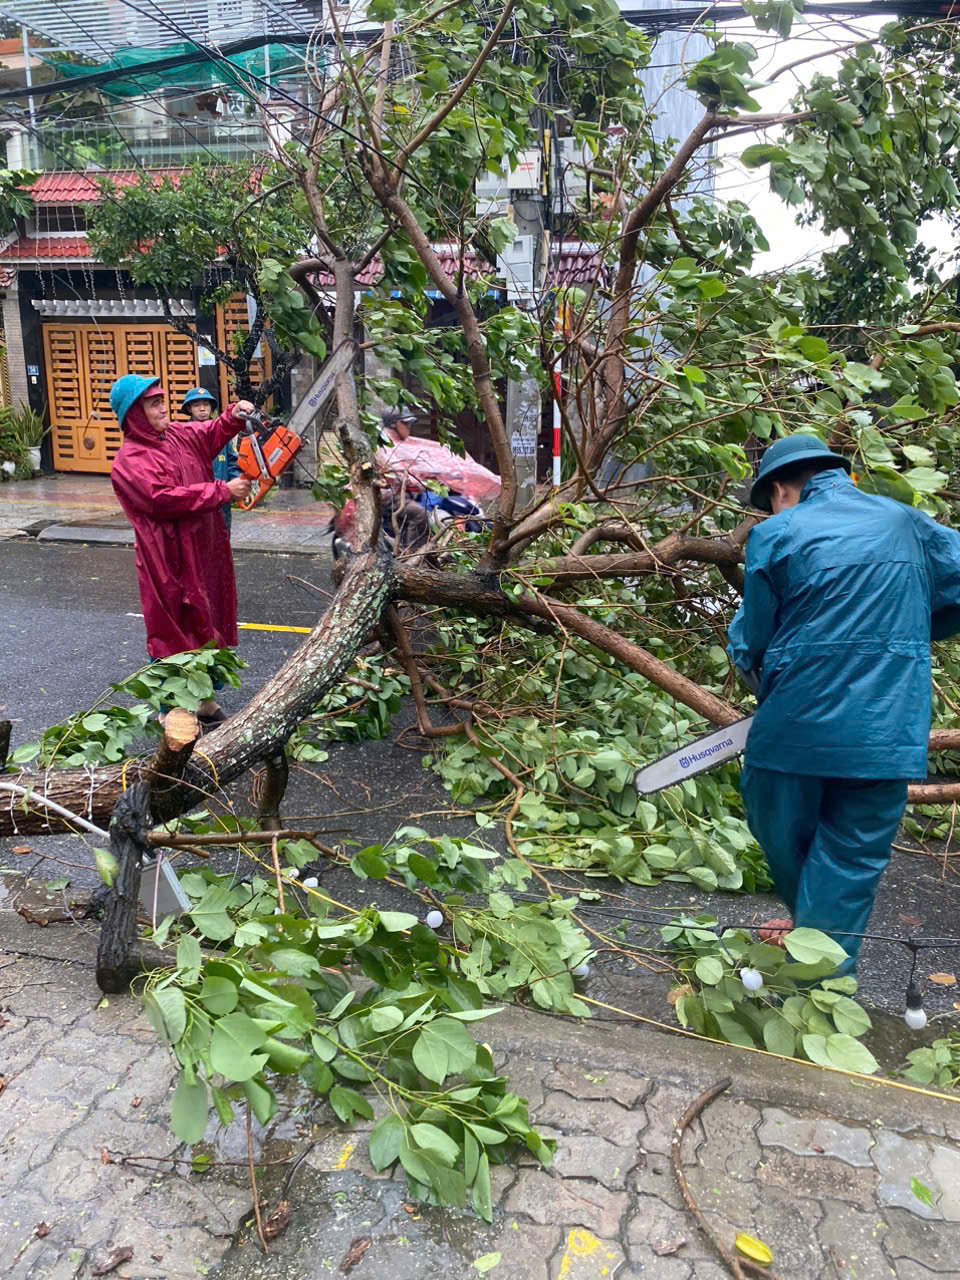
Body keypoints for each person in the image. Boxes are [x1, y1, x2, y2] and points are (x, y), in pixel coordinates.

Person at [727, 434, 960, 974]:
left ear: (782, 489)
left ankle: (813, 955)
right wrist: (909, 630)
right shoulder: (905, 521)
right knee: (852, 858)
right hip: (889, 731)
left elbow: (753, 638)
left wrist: (751, 665)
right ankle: (821, 964)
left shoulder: (776, 532)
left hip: (795, 727)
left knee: (774, 817)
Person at [109, 374, 252, 726]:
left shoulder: (176, 434)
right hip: (168, 561)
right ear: (133, 413)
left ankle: (203, 702)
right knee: (174, 632)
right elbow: (160, 499)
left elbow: (209, 433)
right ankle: (171, 713)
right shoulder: (129, 461)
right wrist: (221, 492)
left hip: (203, 548)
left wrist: (234, 415)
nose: (163, 407)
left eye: (161, 400)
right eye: (154, 403)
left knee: (208, 621)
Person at [182, 387, 241, 531]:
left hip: (222, 501)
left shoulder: (222, 433)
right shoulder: (182, 435)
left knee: (223, 540)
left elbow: (232, 463)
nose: (202, 409)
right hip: (197, 500)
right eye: (196, 405)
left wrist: (237, 483)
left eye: (206, 404)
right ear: (189, 408)